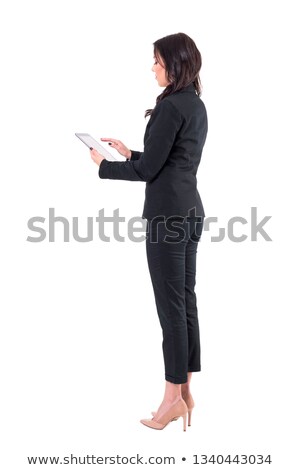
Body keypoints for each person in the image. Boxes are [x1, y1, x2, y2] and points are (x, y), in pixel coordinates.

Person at [89, 32, 208, 432]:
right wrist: (129, 152)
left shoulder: (170, 106)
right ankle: (185, 390)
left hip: (167, 219)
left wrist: (102, 165)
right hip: (190, 212)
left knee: (171, 311)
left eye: (157, 62)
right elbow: (170, 161)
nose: (153, 68)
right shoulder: (195, 104)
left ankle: (171, 400)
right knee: (185, 303)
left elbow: (148, 171)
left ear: (174, 65)